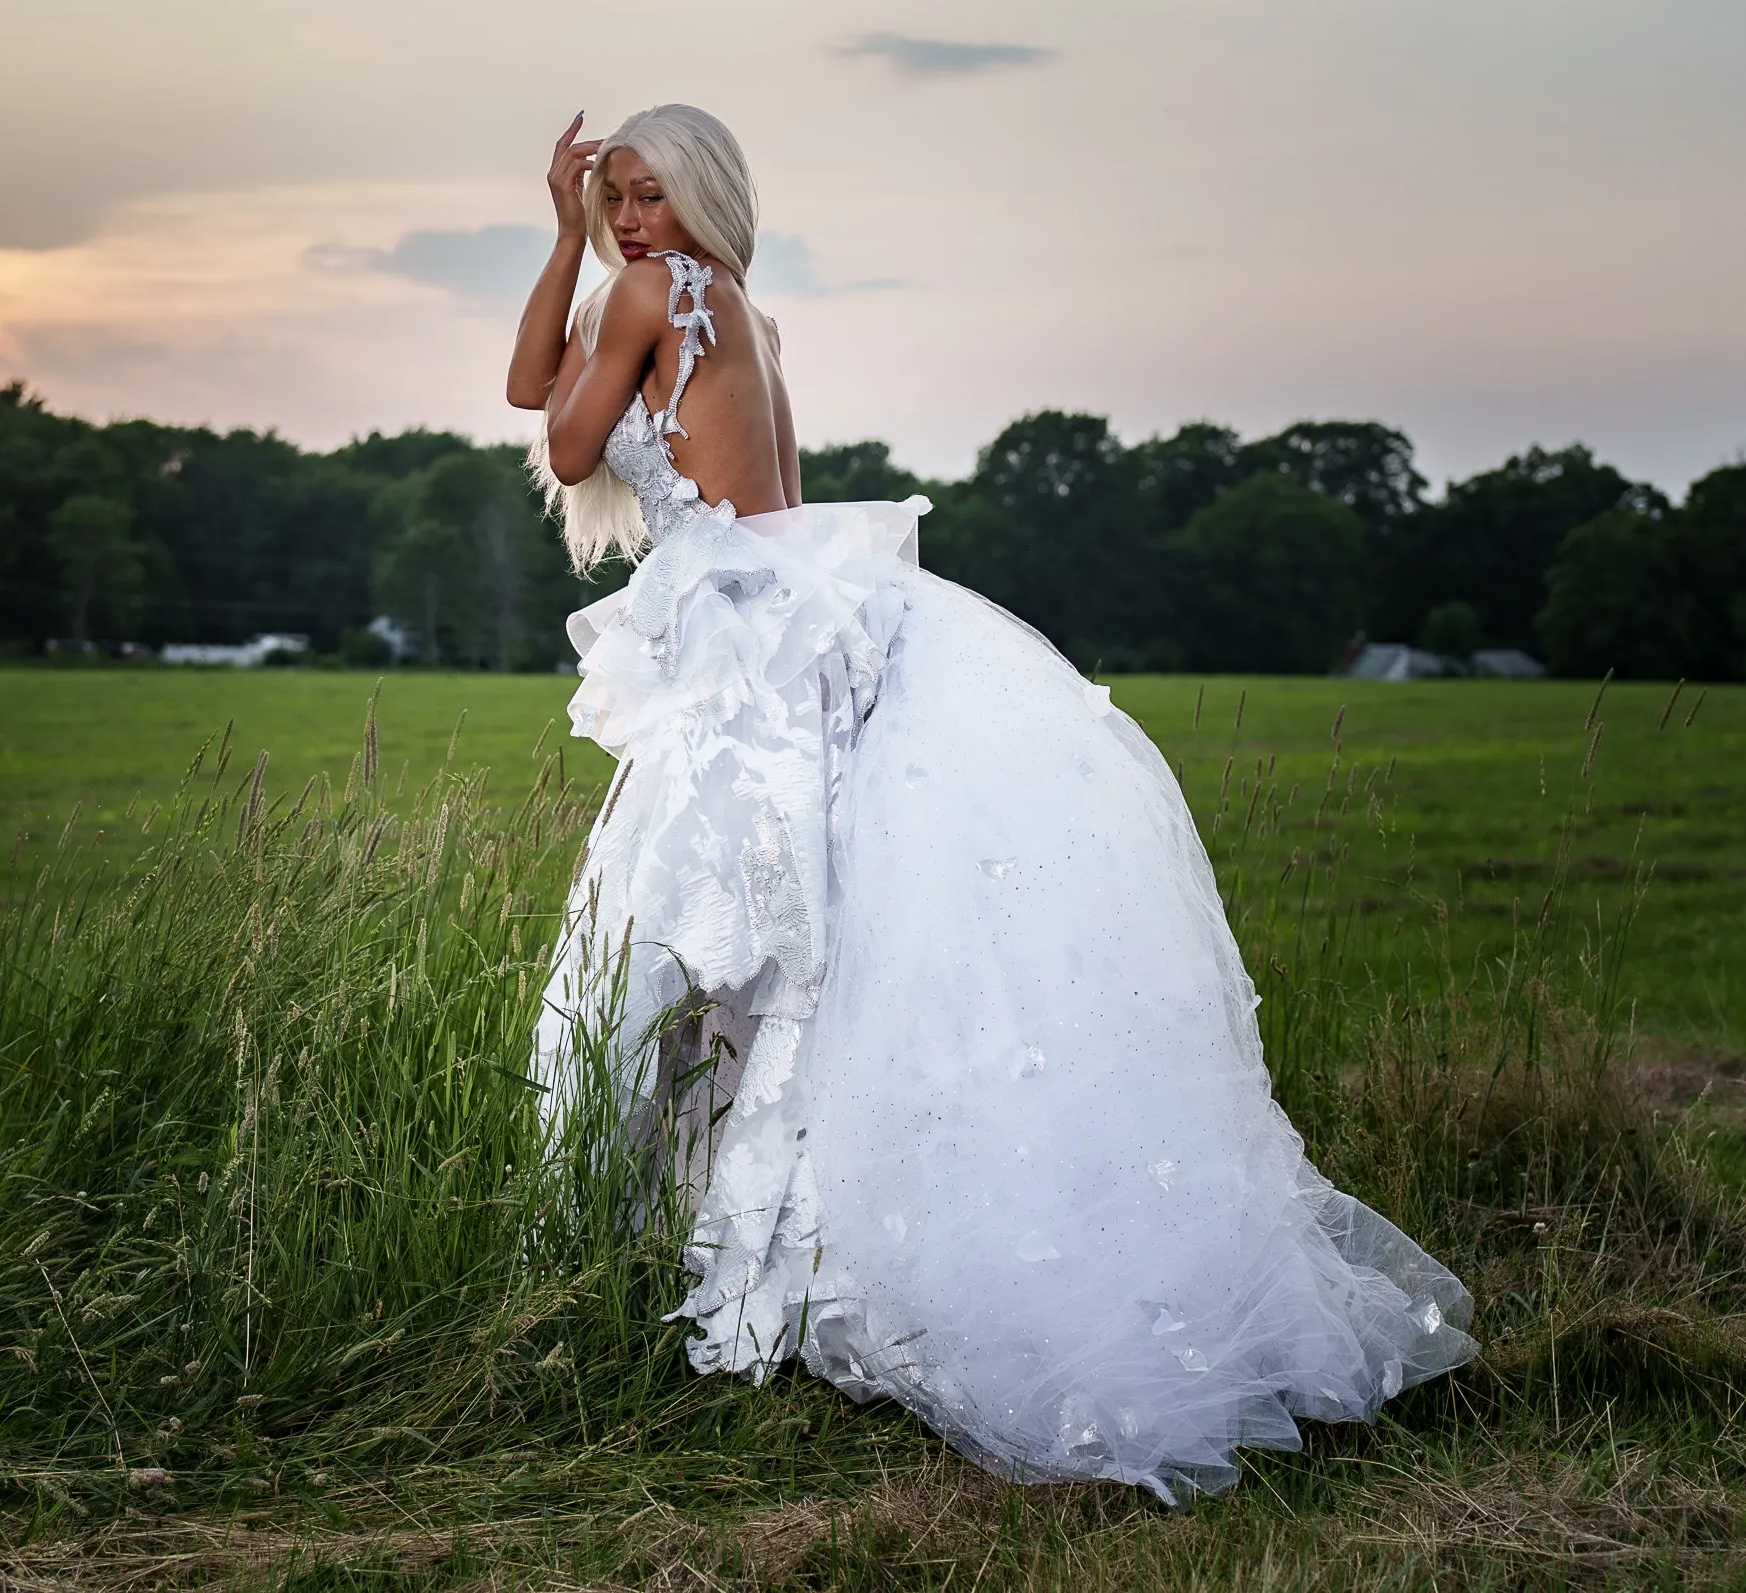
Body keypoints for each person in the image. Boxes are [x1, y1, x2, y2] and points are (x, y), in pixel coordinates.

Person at [508, 104, 1475, 1503]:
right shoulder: (746, 314)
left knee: (711, 939)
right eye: (617, 205)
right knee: (798, 944)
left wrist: (575, 266)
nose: (632, 224)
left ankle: (732, 1259)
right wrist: (561, 236)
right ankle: (773, 1245)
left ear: (704, 199)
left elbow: (559, 435)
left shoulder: (662, 296)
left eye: (650, 197)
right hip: (798, 621)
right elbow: (550, 395)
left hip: (754, 651)